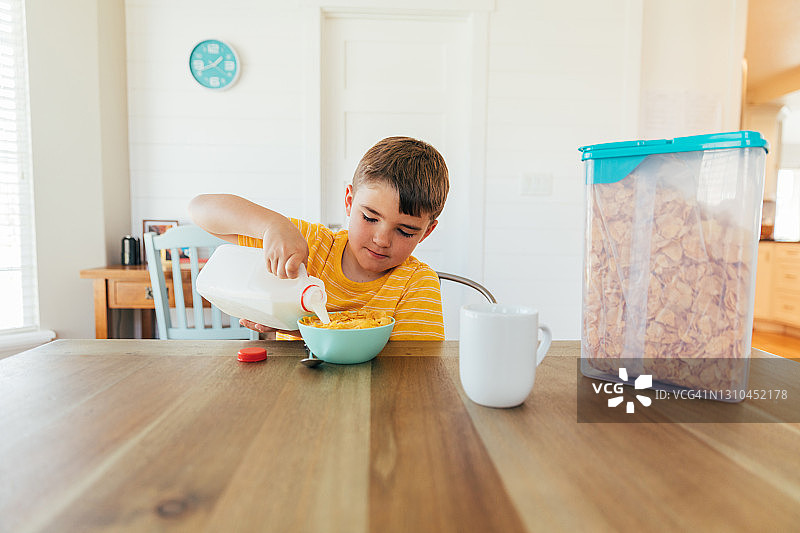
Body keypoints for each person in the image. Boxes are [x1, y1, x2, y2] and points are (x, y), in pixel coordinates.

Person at [189, 136, 449, 340]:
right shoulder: (309, 244)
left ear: (426, 232)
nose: (381, 239)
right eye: (370, 218)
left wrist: (308, 334)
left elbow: (415, 371)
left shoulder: (417, 284)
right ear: (349, 201)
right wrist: (271, 225)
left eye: (405, 231)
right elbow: (199, 209)